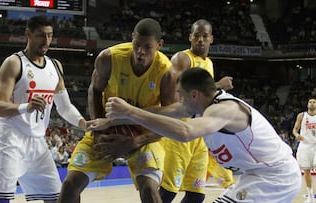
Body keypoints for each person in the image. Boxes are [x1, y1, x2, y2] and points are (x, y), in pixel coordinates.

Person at [97, 68, 302, 202]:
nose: (177, 99)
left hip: (277, 176)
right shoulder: (199, 105)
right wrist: (116, 119)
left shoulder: (225, 110)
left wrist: (131, 111)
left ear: (194, 95)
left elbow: (186, 132)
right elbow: (160, 113)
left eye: (180, 94)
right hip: (255, 174)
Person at [58, 18, 176, 203]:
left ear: (159, 45)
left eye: (147, 47)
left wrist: (134, 141)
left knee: (149, 188)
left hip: (145, 134)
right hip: (107, 127)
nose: (140, 51)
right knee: (70, 185)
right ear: (132, 38)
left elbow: (170, 121)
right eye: (137, 45)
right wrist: (98, 132)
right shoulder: (109, 58)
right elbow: (95, 91)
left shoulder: (167, 73)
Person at [0, 15, 86, 203]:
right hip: (10, 138)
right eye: (41, 35)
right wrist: (25, 107)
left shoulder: (55, 66)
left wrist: (84, 123)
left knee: (58, 197)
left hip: (37, 142)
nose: (46, 41)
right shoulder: (13, 63)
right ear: (27, 34)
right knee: (0, 198)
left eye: (50, 35)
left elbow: (65, 107)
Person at [159, 19, 234, 203]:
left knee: (196, 195)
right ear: (190, 37)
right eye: (197, 35)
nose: (201, 39)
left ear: (211, 39)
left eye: (205, 36)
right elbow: (175, 96)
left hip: (198, 135)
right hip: (179, 133)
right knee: (167, 191)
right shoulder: (182, 58)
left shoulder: (208, 62)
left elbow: (203, 100)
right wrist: (217, 86)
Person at [293, 97, 316, 203]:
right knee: (306, 171)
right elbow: (295, 129)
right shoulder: (301, 115)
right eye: (310, 102)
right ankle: (310, 196)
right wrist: (297, 135)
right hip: (305, 145)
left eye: (314, 102)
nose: (312, 103)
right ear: (307, 104)